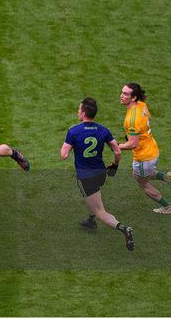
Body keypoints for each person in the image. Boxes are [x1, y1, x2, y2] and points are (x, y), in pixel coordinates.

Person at [60, 97, 134, 251]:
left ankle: (123, 228)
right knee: (92, 198)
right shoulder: (103, 130)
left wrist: (71, 145)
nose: (77, 112)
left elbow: (64, 155)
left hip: (86, 177)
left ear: (83, 114)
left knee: (100, 211)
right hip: (101, 173)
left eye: (79, 110)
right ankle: (91, 220)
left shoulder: (73, 131)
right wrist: (114, 165)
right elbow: (118, 151)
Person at [118, 83, 171, 215]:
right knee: (139, 175)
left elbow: (132, 144)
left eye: (125, 94)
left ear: (134, 97)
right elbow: (148, 119)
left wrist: (116, 146)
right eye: (122, 92)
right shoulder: (142, 105)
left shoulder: (131, 120)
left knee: (143, 183)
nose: (121, 95)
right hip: (152, 149)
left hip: (143, 156)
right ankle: (167, 177)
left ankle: (167, 207)